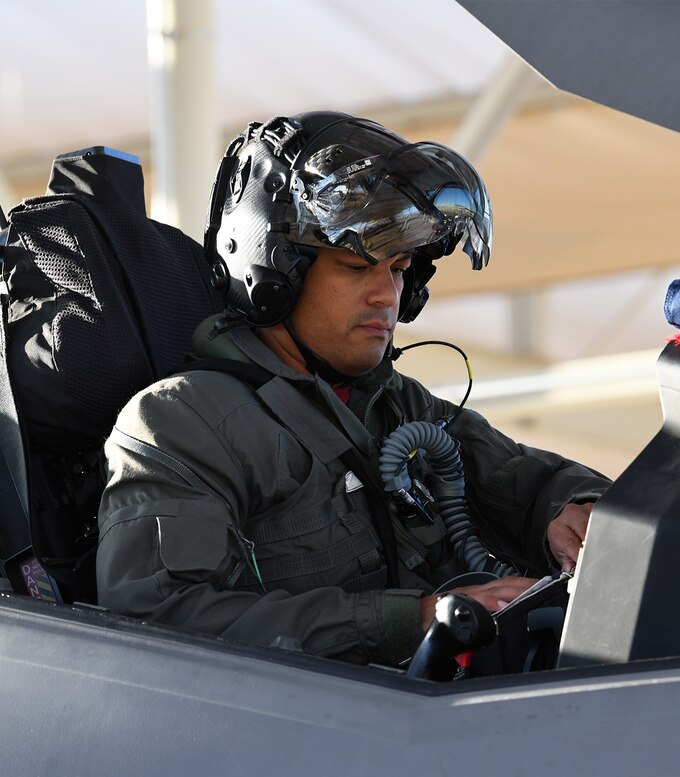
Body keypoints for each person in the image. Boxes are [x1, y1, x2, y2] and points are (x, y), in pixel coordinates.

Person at [95, 111, 611, 666]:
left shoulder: (395, 403)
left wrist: (568, 509)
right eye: (355, 266)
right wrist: (411, 620)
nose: (387, 296)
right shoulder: (187, 421)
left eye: (398, 268)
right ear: (275, 271)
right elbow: (155, 620)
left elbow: (524, 479)